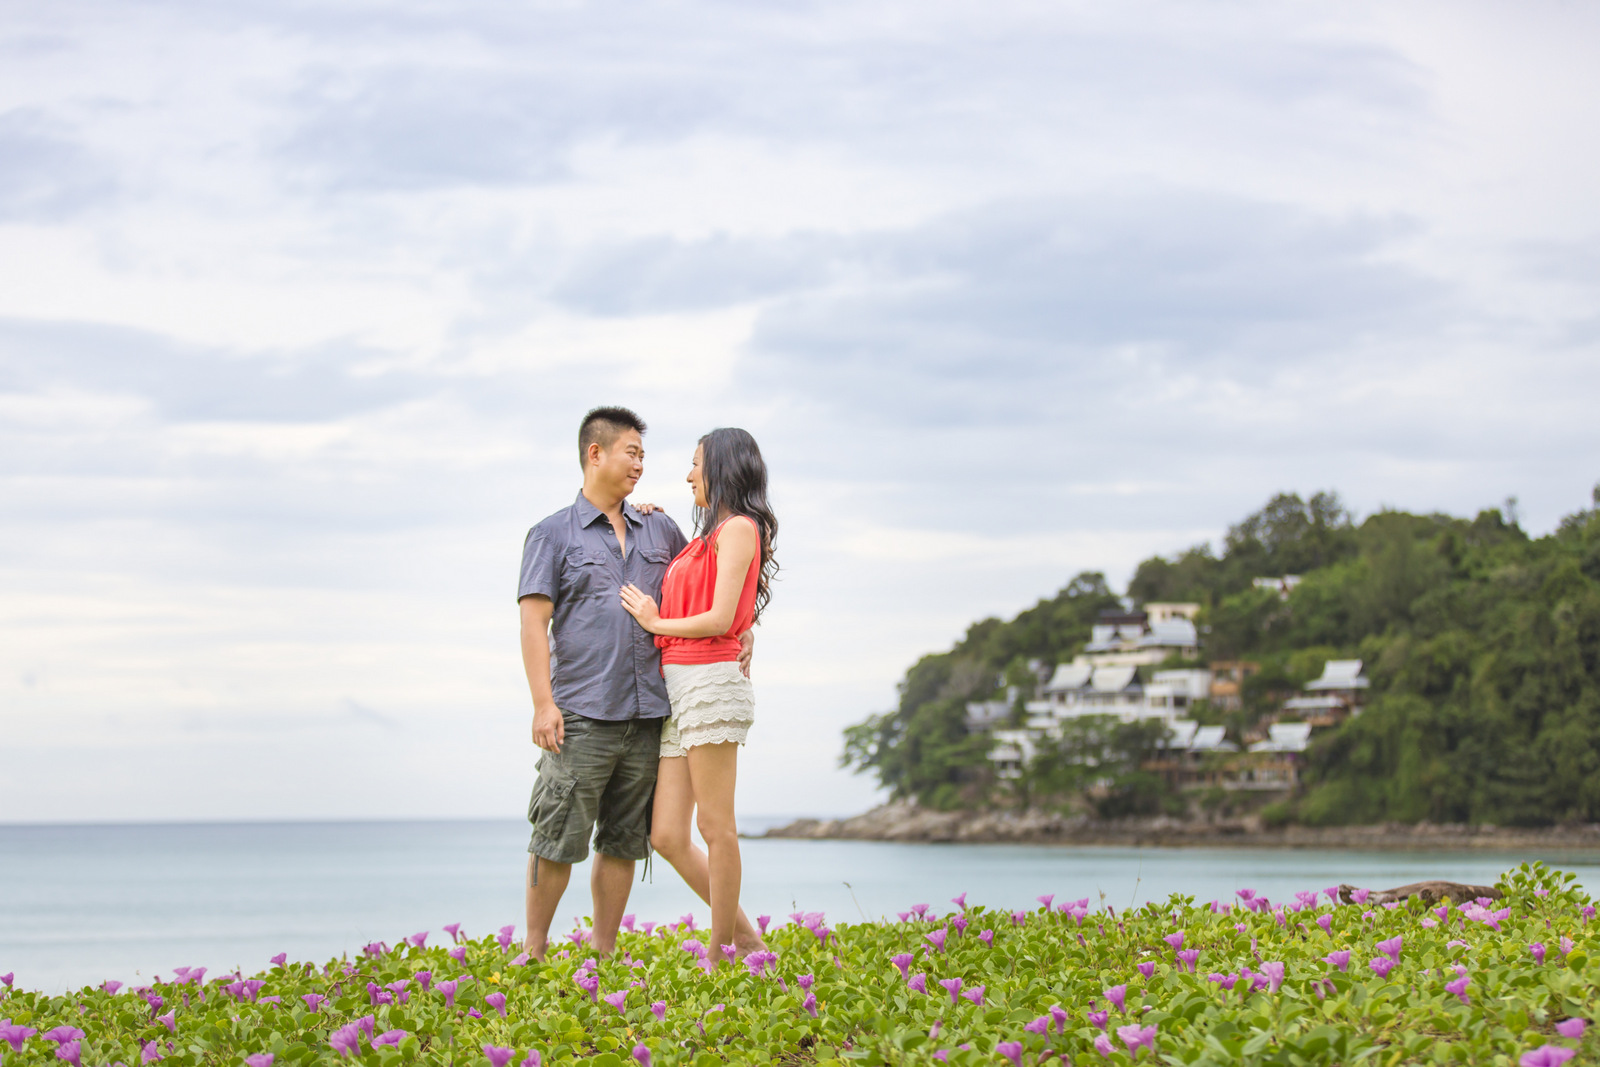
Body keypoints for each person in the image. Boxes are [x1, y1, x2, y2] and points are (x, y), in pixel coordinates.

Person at [516, 406, 751, 959]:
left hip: (651, 714)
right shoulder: (551, 534)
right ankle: (533, 947)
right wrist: (542, 703)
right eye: (632, 452)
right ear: (595, 453)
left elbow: (715, 583)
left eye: (644, 455)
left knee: (624, 840)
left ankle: (604, 952)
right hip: (581, 711)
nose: (641, 465)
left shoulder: (663, 527)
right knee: (556, 837)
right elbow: (533, 622)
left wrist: (746, 631)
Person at [620, 427, 778, 967]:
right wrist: (644, 516)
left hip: (710, 683)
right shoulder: (703, 538)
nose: (688, 475)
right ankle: (749, 942)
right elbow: (728, 611)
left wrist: (653, 619)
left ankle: (721, 951)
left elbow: (716, 617)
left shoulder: (739, 527)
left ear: (722, 468)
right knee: (665, 833)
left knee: (715, 827)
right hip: (678, 686)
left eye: (695, 464)